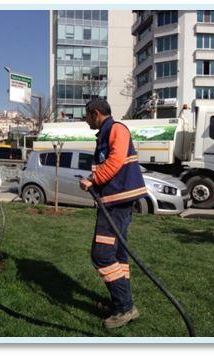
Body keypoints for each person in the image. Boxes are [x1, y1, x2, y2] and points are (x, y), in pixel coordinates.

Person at [79, 98, 147, 329]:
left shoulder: (116, 129)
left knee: (102, 255)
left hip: (116, 205)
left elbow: (115, 161)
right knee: (118, 256)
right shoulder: (107, 132)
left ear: (95, 113)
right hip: (115, 203)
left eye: (86, 116)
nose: (85, 120)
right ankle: (121, 303)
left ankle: (125, 307)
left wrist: (92, 180)